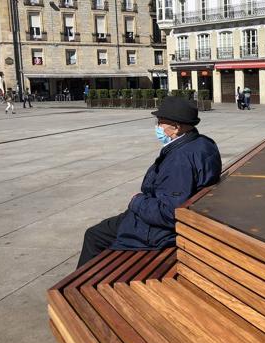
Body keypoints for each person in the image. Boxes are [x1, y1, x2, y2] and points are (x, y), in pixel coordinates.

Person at [76, 96, 222, 268]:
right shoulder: (203, 143)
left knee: (94, 235)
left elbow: (169, 212)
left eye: (160, 122)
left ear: (176, 127)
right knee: (102, 229)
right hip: (177, 218)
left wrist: (137, 201)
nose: (157, 127)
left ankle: (79, 288)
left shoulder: (179, 160)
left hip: (158, 232)